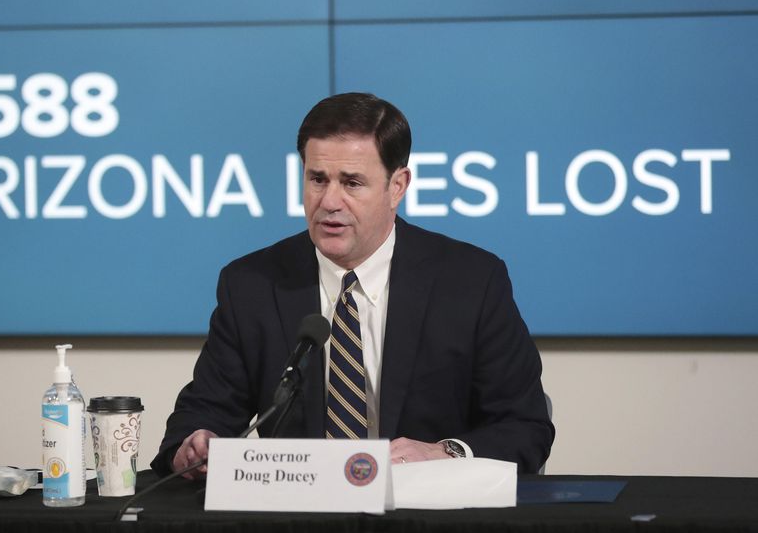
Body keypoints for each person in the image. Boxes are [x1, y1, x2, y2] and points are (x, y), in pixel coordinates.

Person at [151, 92, 554, 478]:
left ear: (397, 186)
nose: (329, 201)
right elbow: (203, 413)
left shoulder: (470, 282)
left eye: (352, 183)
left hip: (426, 515)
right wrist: (197, 443)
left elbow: (524, 425)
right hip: (296, 517)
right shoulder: (252, 285)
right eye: (317, 179)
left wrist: (445, 452)